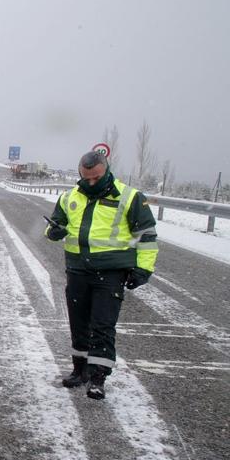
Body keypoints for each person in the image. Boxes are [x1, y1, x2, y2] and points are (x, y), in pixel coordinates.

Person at [44, 150, 158, 399]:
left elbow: (147, 236)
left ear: (106, 170)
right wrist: (53, 232)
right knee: (79, 324)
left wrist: (144, 269)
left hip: (111, 273)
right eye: (87, 178)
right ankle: (79, 370)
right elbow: (53, 224)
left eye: (96, 177)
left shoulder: (130, 197)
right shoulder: (69, 197)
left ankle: (98, 378)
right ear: (80, 174)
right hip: (77, 271)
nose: (92, 182)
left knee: (102, 326)